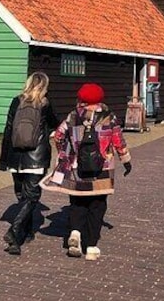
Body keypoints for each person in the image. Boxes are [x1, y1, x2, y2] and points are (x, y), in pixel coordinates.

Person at [41, 83, 132, 261]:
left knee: (77, 203)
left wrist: (64, 153)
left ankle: (75, 233)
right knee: (97, 206)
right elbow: (118, 141)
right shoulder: (108, 117)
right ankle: (91, 247)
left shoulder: (73, 116)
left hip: (77, 168)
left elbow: (58, 135)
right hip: (102, 169)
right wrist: (126, 160)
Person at [0, 71, 58, 256]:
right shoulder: (45, 104)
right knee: (31, 197)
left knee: (21, 195)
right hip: (36, 157)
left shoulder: (16, 101)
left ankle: (25, 233)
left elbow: (8, 129)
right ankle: (14, 232)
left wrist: (4, 159)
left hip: (16, 156)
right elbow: (55, 124)